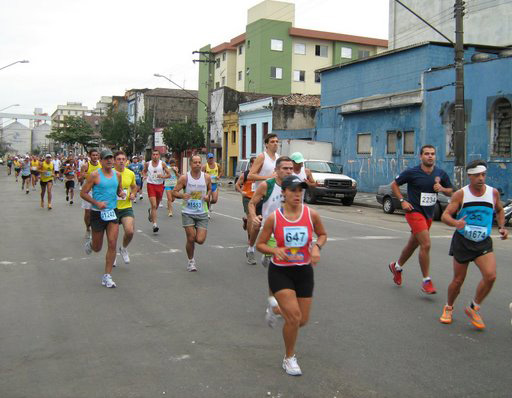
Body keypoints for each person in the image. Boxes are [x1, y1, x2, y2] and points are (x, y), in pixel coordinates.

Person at [257, 175, 327, 376]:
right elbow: (261, 244)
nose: (298, 194)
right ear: (284, 193)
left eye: (300, 190)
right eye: (293, 190)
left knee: (302, 320)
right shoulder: (275, 218)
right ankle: (289, 358)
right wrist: (274, 251)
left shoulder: (311, 214)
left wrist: (316, 247)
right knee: (294, 318)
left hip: (304, 271)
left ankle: (275, 310)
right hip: (281, 271)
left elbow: (322, 234)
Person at [439, 160, 508, 329]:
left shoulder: (493, 193)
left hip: (482, 241)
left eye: (483, 175)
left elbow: (499, 210)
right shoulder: (461, 194)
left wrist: (501, 227)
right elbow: (445, 216)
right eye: (477, 175)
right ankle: (448, 307)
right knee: (458, 281)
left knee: (491, 276)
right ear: (469, 176)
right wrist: (456, 223)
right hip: (463, 241)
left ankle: (473, 308)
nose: (481, 178)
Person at [388, 145, 453, 294]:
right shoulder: (412, 172)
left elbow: (451, 191)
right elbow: (394, 184)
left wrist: (442, 189)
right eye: (427, 154)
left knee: (413, 245)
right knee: (426, 244)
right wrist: (402, 200)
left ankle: (396, 266)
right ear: (420, 156)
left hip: (428, 215)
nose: (430, 156)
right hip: (414, 212)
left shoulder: (440, 174)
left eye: (433, 154)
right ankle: (426, 281)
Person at [80, 149, 125, 288]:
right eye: (106, 158)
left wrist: (122, 193)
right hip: (97, 213)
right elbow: (83, 193)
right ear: (101, 161)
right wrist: (97, 203)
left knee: (112, 243)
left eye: (111, 158)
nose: (110, 160)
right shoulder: (94, 175)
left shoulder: (117, 175)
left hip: (112, 212)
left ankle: (107, 276)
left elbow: (119, 190)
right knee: (98, 247)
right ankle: (91, 244)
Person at [172, 155, 212, 272]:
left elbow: (210, 189)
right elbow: (174, 192)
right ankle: (191, 261)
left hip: (202, 212)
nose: (198, 164)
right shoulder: (185, 178)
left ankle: (191, 244)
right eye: (195, 162)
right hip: (188, 212)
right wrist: (182, 195)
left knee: (200, 240)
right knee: (191, 238)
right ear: (190, 164)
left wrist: (208, 195)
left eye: (199, 162)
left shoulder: (207, 177)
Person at [246, 134, 280, 263]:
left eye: (277, 141)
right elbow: (250, 175)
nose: (275, 144)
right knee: (257, 226)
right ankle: (250, 248)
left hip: (273, 196)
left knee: (274, 225)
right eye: (272, 141)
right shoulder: (262, 157)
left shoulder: (279, 158)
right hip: (261, 195)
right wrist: (268, 178)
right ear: (266, 144)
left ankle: (268, 251)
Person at [114, 151, 137, 265]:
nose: (121, 161)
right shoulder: (110, 173)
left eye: (123, 159)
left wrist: (133, 193)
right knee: (112, 236)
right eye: (119, 159)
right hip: (112, 208)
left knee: (130, 231)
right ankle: (112, 255)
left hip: (126, 207)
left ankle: (123, 248)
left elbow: (134, 187)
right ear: (114, 161)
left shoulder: (130, 173)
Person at [143, 150, 170, 233]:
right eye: (153, 154)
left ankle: (151, 212)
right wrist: (144, 176)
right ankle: (155, 224)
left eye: (156, 154)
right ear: (151, 156)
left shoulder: (162, 164)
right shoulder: (148, 164)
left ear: (159, 156)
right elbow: (144, 171)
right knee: (154, 205)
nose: (155, 156)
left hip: (160, 186)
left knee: (156, 205)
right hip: (150, 185)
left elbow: (169, 175)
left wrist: (163, 176)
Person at [80, 149, 102, 239]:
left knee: (99, 211)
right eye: (93, 155)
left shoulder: (101, 165)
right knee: (88, 212)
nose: (95, 157)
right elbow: (81, 177)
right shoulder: (85, 166)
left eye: (97, 155)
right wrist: (86, 176)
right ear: (89, 156)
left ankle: (96, 229)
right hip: (88, 191)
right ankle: (88, 228)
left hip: (99, 191)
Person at [235, 156, 256, 243]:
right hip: (247, 198)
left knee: (257, 218)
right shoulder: (245, 174)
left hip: (257, 199)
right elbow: (237, 184)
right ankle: (250, 238)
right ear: (251, 164)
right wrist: (241, 192)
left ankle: (246, 222)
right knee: (251, 217)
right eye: (255, 162)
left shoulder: (260, 174)